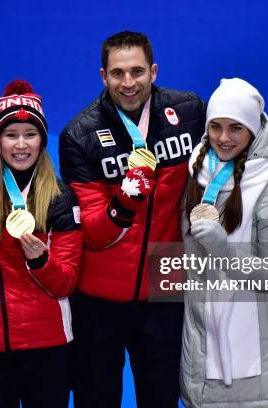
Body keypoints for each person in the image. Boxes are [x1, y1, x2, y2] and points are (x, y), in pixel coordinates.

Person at [59, 31, 206, 407]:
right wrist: (125, 199)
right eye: (118, 73)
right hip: (98, 297)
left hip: (163, 286)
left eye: (137, 71)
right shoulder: (80, 134)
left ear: (154, 72)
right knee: (96, 399)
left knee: (160, 399)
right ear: (102, 76)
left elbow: (239, 139)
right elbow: (91, 231)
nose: (128, 83)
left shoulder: (189, 113)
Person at [0, 80, 82, 408]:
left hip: (46, 347)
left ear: (42, 141)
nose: (21, 145)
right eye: (10, 135)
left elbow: (66, 281)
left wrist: (41, 261)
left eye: (30, 135)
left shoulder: (59, 197)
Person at [180, 78, 268, 407]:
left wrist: (226, 252)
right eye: (215, 127)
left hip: (253, 368)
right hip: (200, 360)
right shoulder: (197, 174)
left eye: (235, 128)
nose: (223, 138)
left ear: (254, 131)